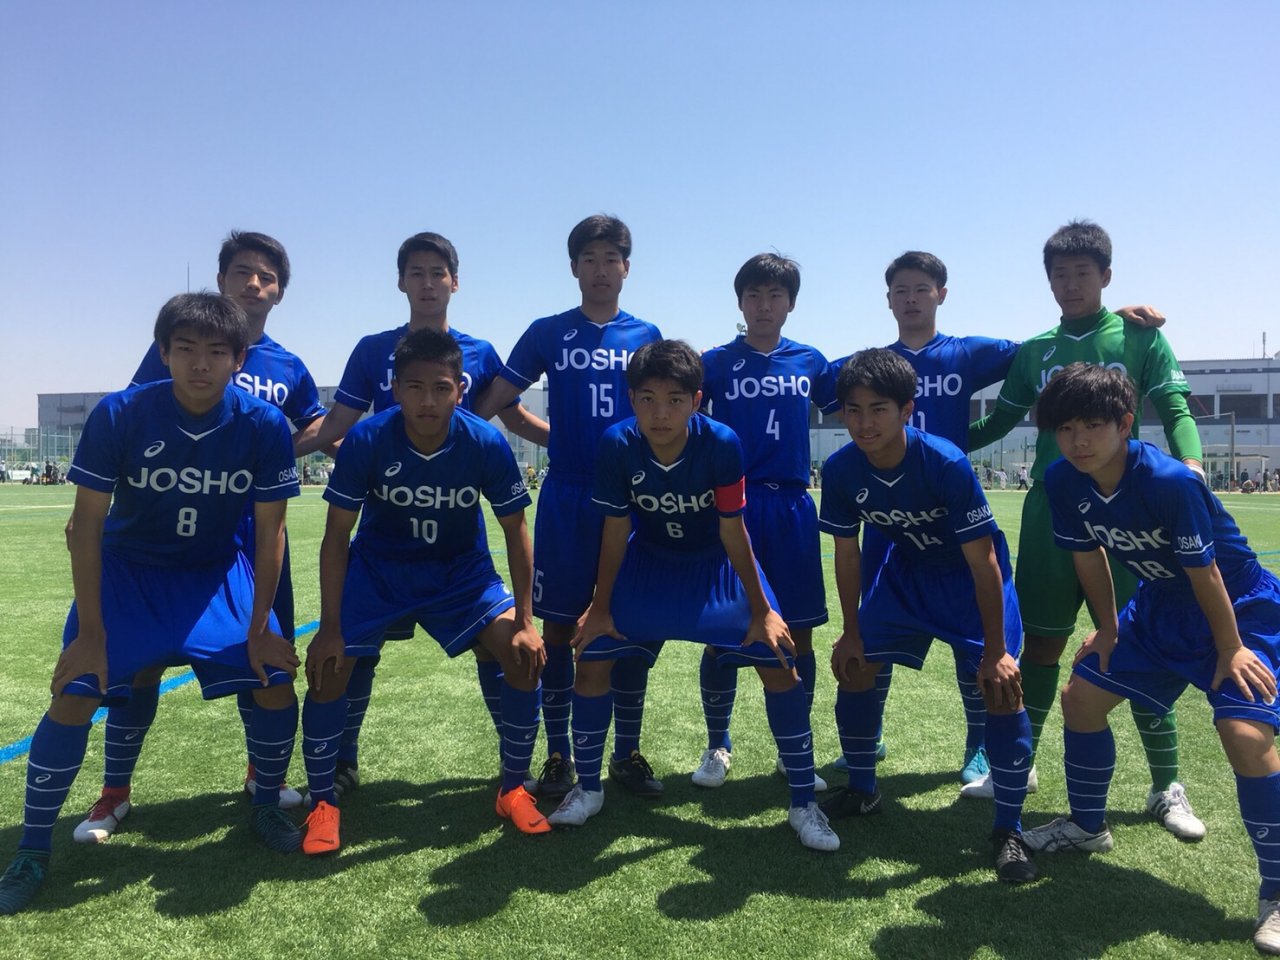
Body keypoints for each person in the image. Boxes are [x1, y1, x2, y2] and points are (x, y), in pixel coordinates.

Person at [0, 293, 303, 915]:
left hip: (214, 573)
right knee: (77, 689)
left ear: (238, 359)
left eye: (215, 352)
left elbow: (271, 532)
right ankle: (33, 850)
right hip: (130, 573)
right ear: (163, 353)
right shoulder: (121, 413)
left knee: (274, 678)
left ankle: (266, 803)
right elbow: (85, 527)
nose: (200, 364)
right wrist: (91, 632)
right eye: (185, 349)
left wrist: (261, 625)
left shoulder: (263, 424)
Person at [72, 232, 321, 844]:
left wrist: (271, 455)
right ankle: (115, 792)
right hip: (170, 529)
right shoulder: (180, 346)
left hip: (255, 530)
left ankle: (261, 779)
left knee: (261, 654)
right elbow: (141, 412)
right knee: (142, 665)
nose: (253, 284)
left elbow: (320, 423)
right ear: (221, 280)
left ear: (280, 292)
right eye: (242, 272)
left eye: (266, 276)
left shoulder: (288, 366)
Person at [1024, 362, 1280, 954]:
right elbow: (1088, 556)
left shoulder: (1169, 481)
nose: (1078, 440)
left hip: (1237, 607)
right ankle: (1087, 827)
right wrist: (1108, 630)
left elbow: (1207, 573)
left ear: (1125, 424)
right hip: (1159, 604)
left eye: (1092, 425)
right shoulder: (1063, 480)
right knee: (1081, 698)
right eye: (1066, 428)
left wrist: (1230, 649)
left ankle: (1277, 889)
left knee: (1244, 734)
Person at [964, 221, 1207, 843]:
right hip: (1052, 513)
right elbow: (1000, 422)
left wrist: (1193, 463)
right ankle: (1019, 765)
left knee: (1144, 645)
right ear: (1048, 282)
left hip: (1130, 517)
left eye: (1082, 273)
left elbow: (1174, 407)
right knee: (1042, 645)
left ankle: (1165, 785)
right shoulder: (1035, 350)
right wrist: (928, 443)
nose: (1070, 284)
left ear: (1106, 275)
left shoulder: (1139, 335)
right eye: (1060, 275)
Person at [546, 340, 837, 851]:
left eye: (675, 400)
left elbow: (733, 531)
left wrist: (763, 610)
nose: (660, 413)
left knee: (777, 656)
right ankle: (587, 789)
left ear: (697, 400)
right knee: (592, 656)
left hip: (713, 565)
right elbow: (615, 531)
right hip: (649, 563)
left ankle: (802, 803)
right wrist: (601, 606)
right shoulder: (617, 443)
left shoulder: (721, 442)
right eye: (648, 399)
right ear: (631, 399)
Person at [306, 232, 549, 803]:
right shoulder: (374, 352)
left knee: (508, 647)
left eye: (437, 272)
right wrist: (270, 454)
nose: (427, 282)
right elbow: (337, 424)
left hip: (458, 556)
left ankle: (514, 777)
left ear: (454, 282)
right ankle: (337, 769)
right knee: (346, 656)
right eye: (416, 272)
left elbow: (512, 417)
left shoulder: (479, 357)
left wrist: (584, 447)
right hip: (382, 549)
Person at [817, 349, 1035, 881]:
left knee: (1001, 687)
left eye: (878, 409)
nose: (864, 423)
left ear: (907, 410)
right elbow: (848, 554)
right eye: (853, 410)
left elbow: (983, 562)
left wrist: (996, 650)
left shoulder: (944, 462)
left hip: (967, 579)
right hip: (906, 574)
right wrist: (851, 632)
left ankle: (1009, 829)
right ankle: (864, 789)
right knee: (855, 666)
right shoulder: (841, 469)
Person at [474, 215, 664, 801]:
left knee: (628, 623)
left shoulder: (647, 334)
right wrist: (552, 438)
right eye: (590, 258)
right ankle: (558, 754)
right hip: (568, 495)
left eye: (611, 259)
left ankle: (626, 751)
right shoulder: (548, 331)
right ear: (574, 267)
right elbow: (497, 401)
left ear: (626, 268)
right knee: (557, 625)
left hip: (631, 496)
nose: (600, 269)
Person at [692, 253, 836, 790]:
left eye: (775, 295)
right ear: (740, 302)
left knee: (800, 632)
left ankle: (794, 749)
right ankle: (717, 744)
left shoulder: (811, 361)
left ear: (790, 303)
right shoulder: (715, 362)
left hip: (793, 506)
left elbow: (860, 401)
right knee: (722, 629)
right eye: (754, 295)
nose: (764, 305)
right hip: (734, 505)